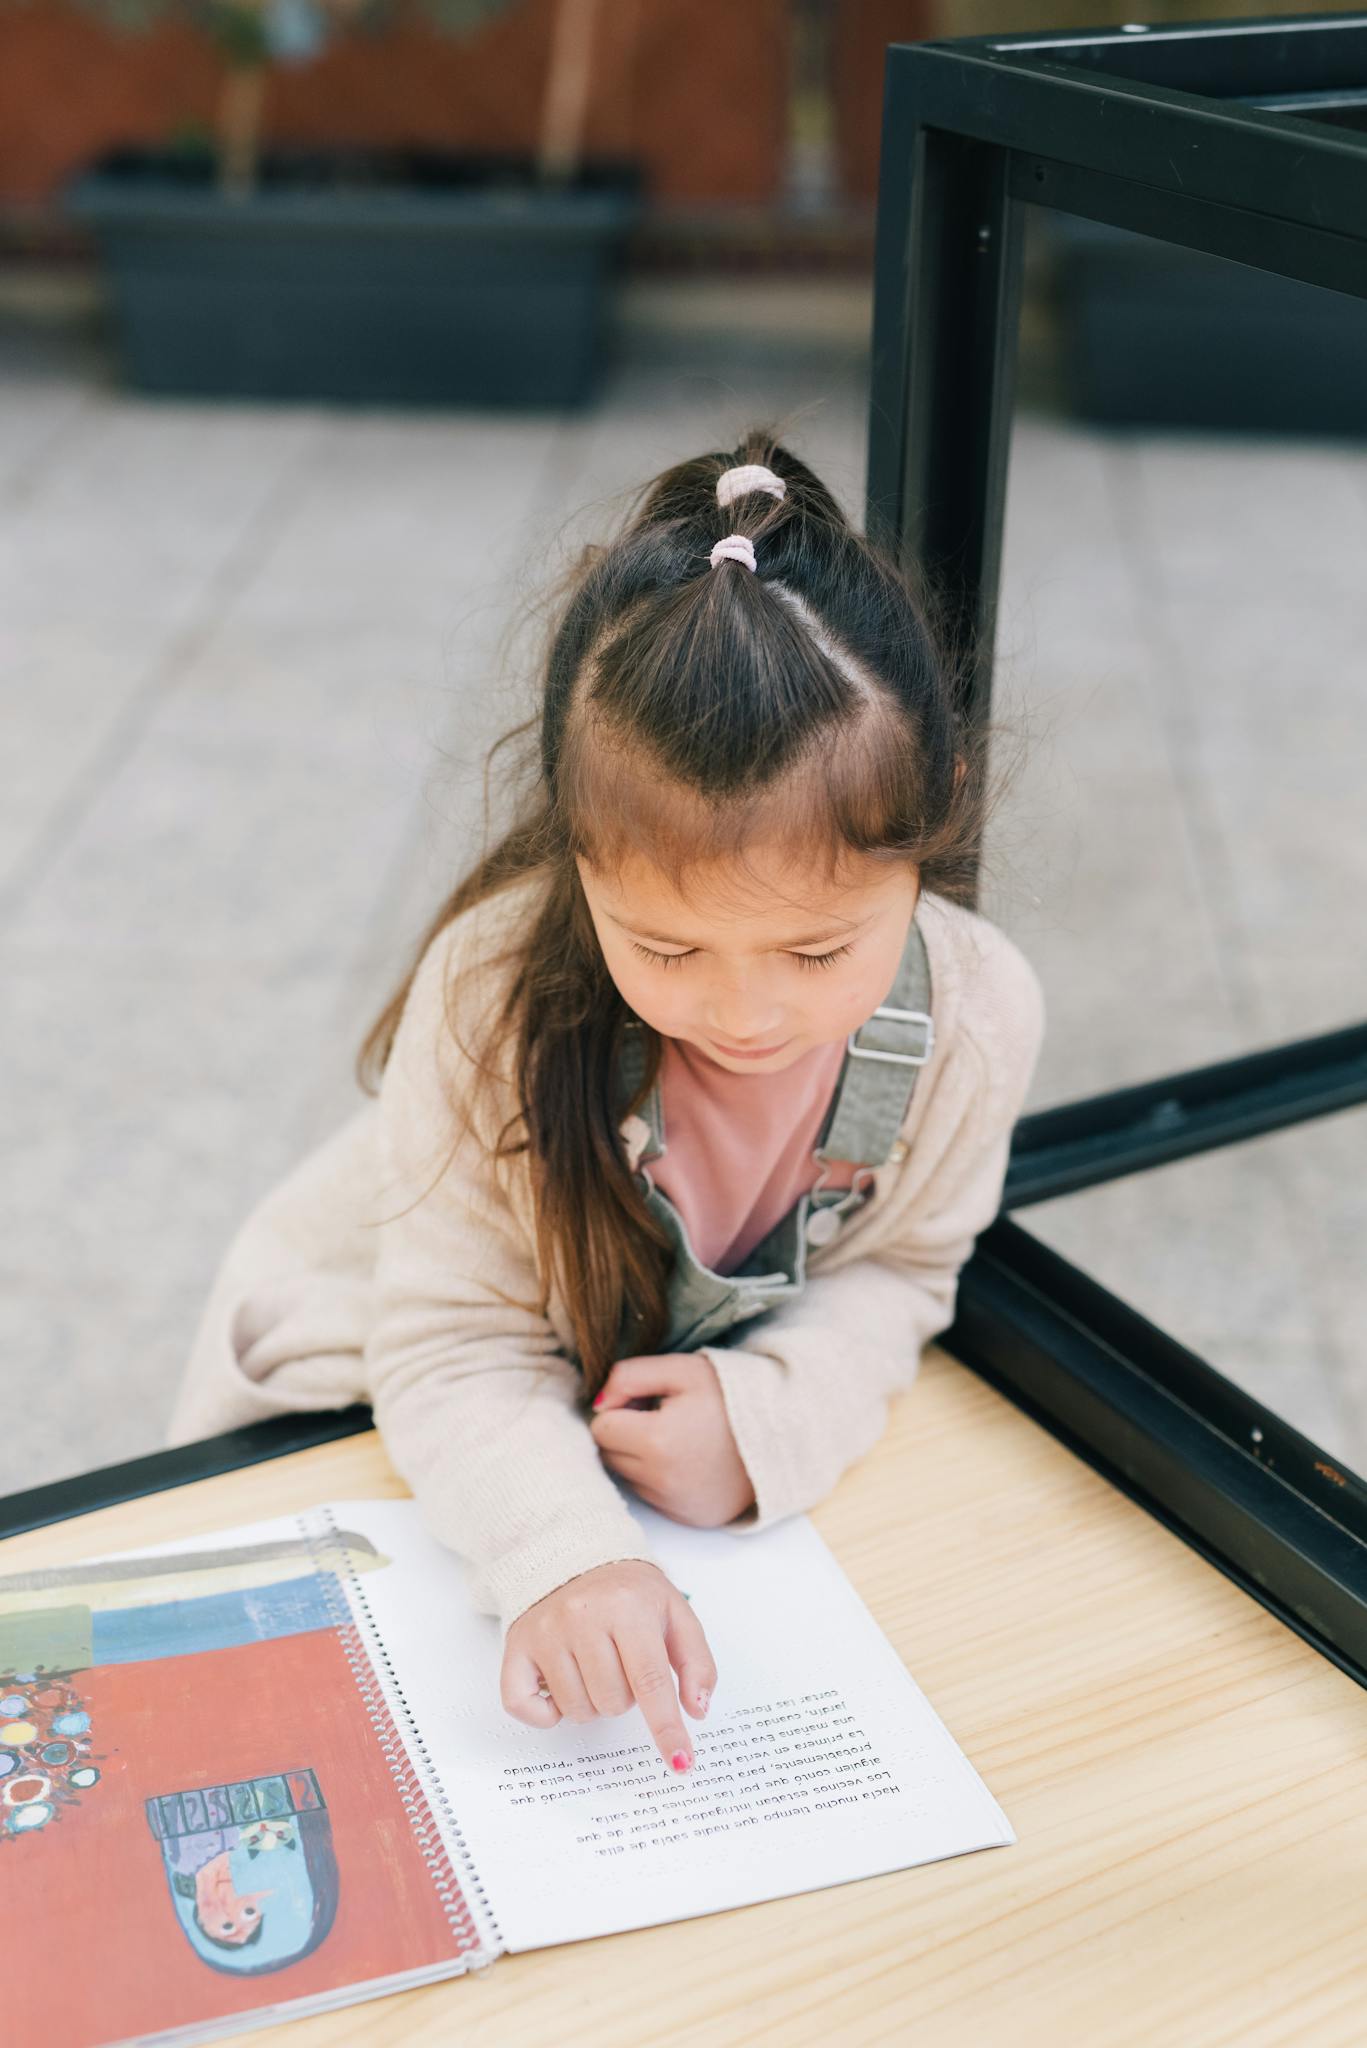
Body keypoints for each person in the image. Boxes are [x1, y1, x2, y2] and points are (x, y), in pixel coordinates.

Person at [167, 428, 1045, 1781]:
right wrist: (562, 1558)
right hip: (362, 1392)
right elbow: (450, 1341)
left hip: (601, 1438)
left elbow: (912, 1266)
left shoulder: (979, 1019)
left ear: (939, 820)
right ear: (578, 854)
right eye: (668, 949)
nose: (747, 1016)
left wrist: (774, 1418)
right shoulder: (493, 994)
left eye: (817, 952)